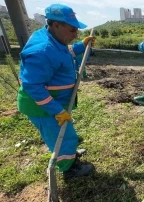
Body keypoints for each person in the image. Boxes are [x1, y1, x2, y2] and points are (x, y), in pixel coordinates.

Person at [17, 4, 95, 178]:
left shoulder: (53, 39)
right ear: (56, 25)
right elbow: (32, 86)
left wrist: (80, 47)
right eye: (73, 29)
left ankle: (68, 155)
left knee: (65, 132)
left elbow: (62, 54)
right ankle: (68, 168)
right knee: (61, 136)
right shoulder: (42, 50)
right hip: (43, 106)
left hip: (55, 101)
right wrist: (57, 110)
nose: (76, 34)